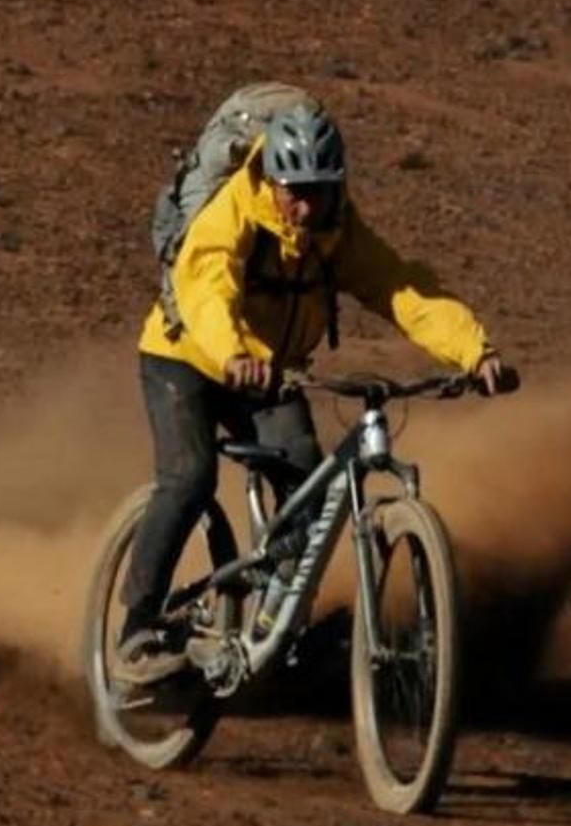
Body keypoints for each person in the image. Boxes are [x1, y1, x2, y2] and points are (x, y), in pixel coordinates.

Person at [121, 100, 519, 679]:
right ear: (272, 181)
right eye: (294, 190)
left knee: (306, 486)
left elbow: (401, 288)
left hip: (268, 373)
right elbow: (206, 286)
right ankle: (137, 630)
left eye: (320, 190)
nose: (306, 206)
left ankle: (279, 623)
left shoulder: (337, 233)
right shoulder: (233, 213)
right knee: (189, 477)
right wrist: (232, 353)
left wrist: (475, 352)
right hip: (185, 357)